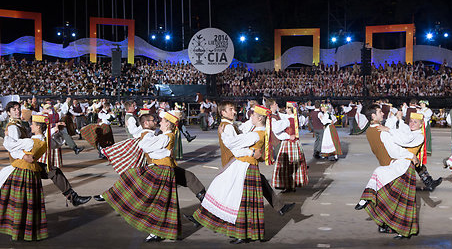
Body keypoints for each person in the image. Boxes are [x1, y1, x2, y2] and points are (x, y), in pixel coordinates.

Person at [191, 105, 271, 244]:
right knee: (245, 202)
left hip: (245, 167)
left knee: (240, 201)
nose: (250, 116)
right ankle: (248, 232)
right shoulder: (259, 131)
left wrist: (223, 134)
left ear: (259, 118)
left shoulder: (255, 134)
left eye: (253, 115)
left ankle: (242, 233)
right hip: (247, 166)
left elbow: (232, 143)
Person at [102, 112, 183, 242]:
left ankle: (156, 229)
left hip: (162, 170)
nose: (159, 122)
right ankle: (160, 230)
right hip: (161, 169)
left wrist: (162, 152)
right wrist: (164, 152)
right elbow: (150, 149)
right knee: (160, 201)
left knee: (154, 198)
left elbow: (144, 146)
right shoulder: (164, 136)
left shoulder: (165, 137)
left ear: (168, 124)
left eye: (162, 121)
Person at [3, 101, 91, 207]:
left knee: (53, 171)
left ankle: (73, 197)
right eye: (14, 110)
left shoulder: (19, 125)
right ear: (8, 113)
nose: (17, 111)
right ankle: (73, 197)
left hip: (29, 162)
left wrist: (54, 130)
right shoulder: (13, 127)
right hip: (21, 164)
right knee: (50, 173)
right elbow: (11, 146)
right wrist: (24, 156)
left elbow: (38, 138)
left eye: (18, 109)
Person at [355, 113, 426, 239]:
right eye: (410, 121)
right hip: (398, 165)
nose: (412, 124)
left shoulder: (418, 136)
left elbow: (403, 139)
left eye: (415, 122)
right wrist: (397, 121)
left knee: (403, 201)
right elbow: (401, 135)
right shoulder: (408, 132)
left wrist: (388, 130)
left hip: (405, 168)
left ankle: (403, 230)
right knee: (390, 192)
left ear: (421, 125)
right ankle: (367, 199)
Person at [0, 114, 54, 241]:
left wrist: (7, 135)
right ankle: (25, 231)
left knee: (17, 203)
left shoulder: (31, 142)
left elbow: (11, 146)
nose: (31, 126)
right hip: (31, 173)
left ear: (39, 127)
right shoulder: (42, 141)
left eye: (33, 124)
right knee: (28, 204)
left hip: (22, 172)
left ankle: (16, 229)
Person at [271, 102, 309, 192]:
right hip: (296, 143)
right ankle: (293, 184)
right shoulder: (296, 117)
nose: (286, 110)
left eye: (287, 108)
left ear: (290, 110)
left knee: (286, 165)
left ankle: (288, 185)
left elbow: (277, 129)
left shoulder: (287, 120)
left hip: (288, 143)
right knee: (295, 165)